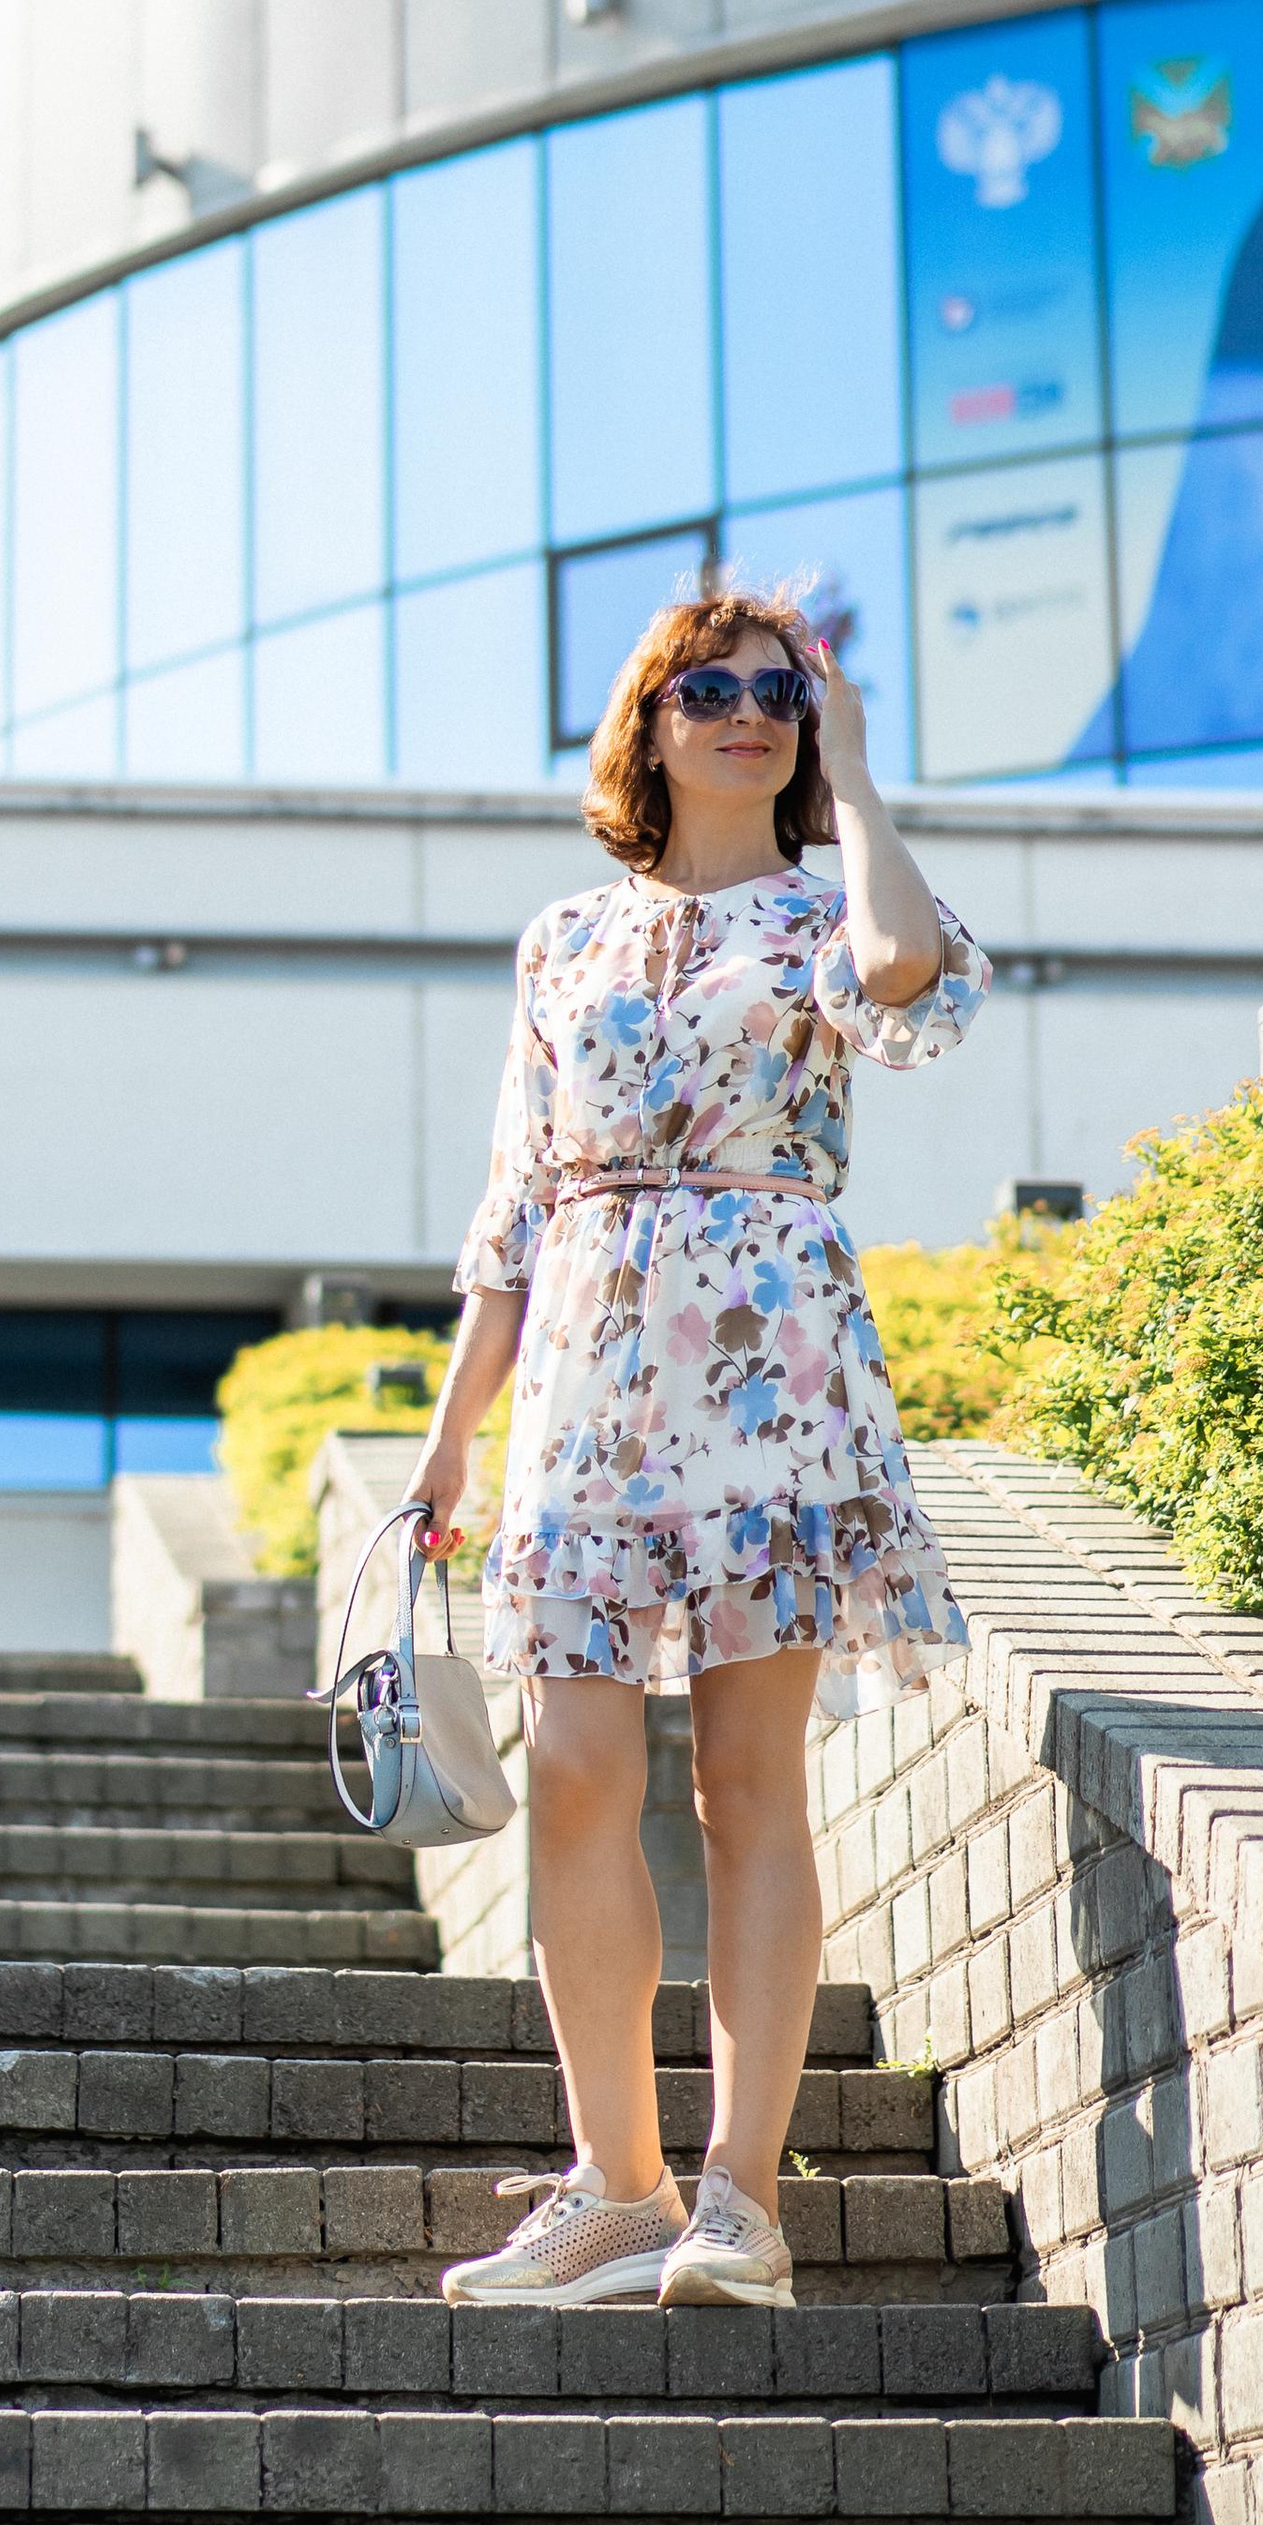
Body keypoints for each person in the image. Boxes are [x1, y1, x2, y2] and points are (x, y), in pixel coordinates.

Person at [411, 583, 987, 2311]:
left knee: (751, 1788)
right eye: (711, 686)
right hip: (584, 1375)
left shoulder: (835, 907)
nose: (750, 709)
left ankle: (742, 2198)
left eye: (782, 691)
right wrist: (450, 1447)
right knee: (578, 1772)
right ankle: (616, 2185)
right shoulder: (562, 940)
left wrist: (865, 781)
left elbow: (907, 979)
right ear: (650, 723)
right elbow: (515, 1208)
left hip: (772, 1372)